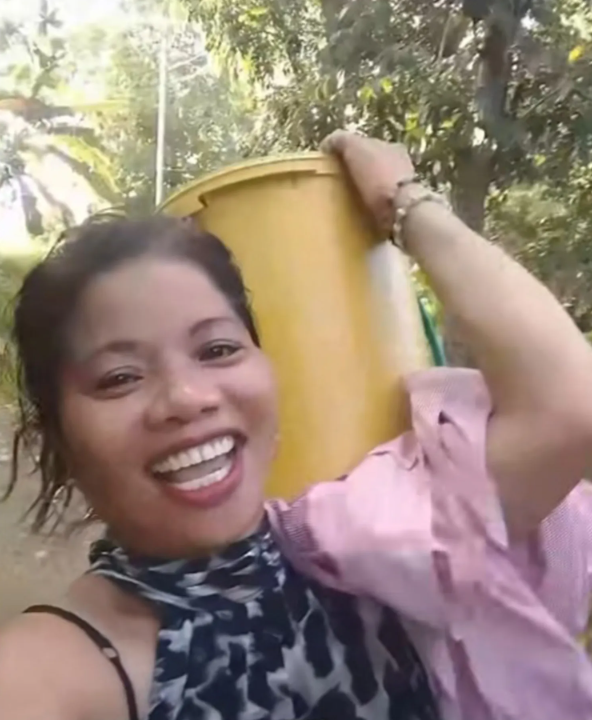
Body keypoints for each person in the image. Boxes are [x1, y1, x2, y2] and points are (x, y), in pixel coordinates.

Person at [0, 131, 592, 720]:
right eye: (120, 378)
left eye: (217, 350)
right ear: (59, 440)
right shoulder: (61, 671)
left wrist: (405, 202)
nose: (186, 398)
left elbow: (569, 406)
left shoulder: (358, 539)